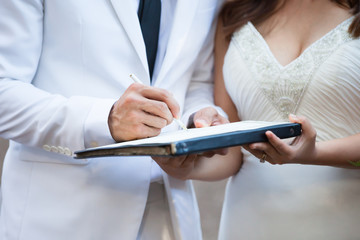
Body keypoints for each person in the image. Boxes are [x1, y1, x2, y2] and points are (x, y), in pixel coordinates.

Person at [0, 0, 227, 239]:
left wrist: (198, 116)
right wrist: (105, 119)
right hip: (63, 214)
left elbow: (196, 81)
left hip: (169, 214)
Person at [213, 0, 360, 239]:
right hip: (249, 221)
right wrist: (181, 161)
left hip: (344, 220)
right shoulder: (235, 11)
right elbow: (229, 155)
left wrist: (316, 154)